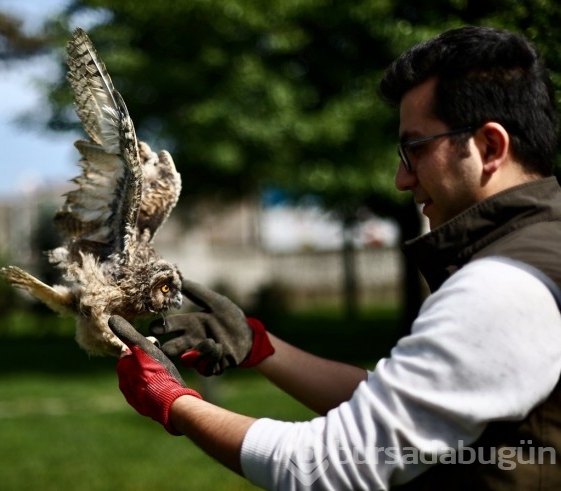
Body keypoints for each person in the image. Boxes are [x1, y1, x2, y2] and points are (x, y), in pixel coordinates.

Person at [108, 25, 561, 490]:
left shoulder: (506, 287)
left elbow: (327, 464)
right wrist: (260, 347)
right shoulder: (541, 252)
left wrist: (173, 400)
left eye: (415, 149)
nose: (401, 179)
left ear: (489, 147)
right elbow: (407, 413)